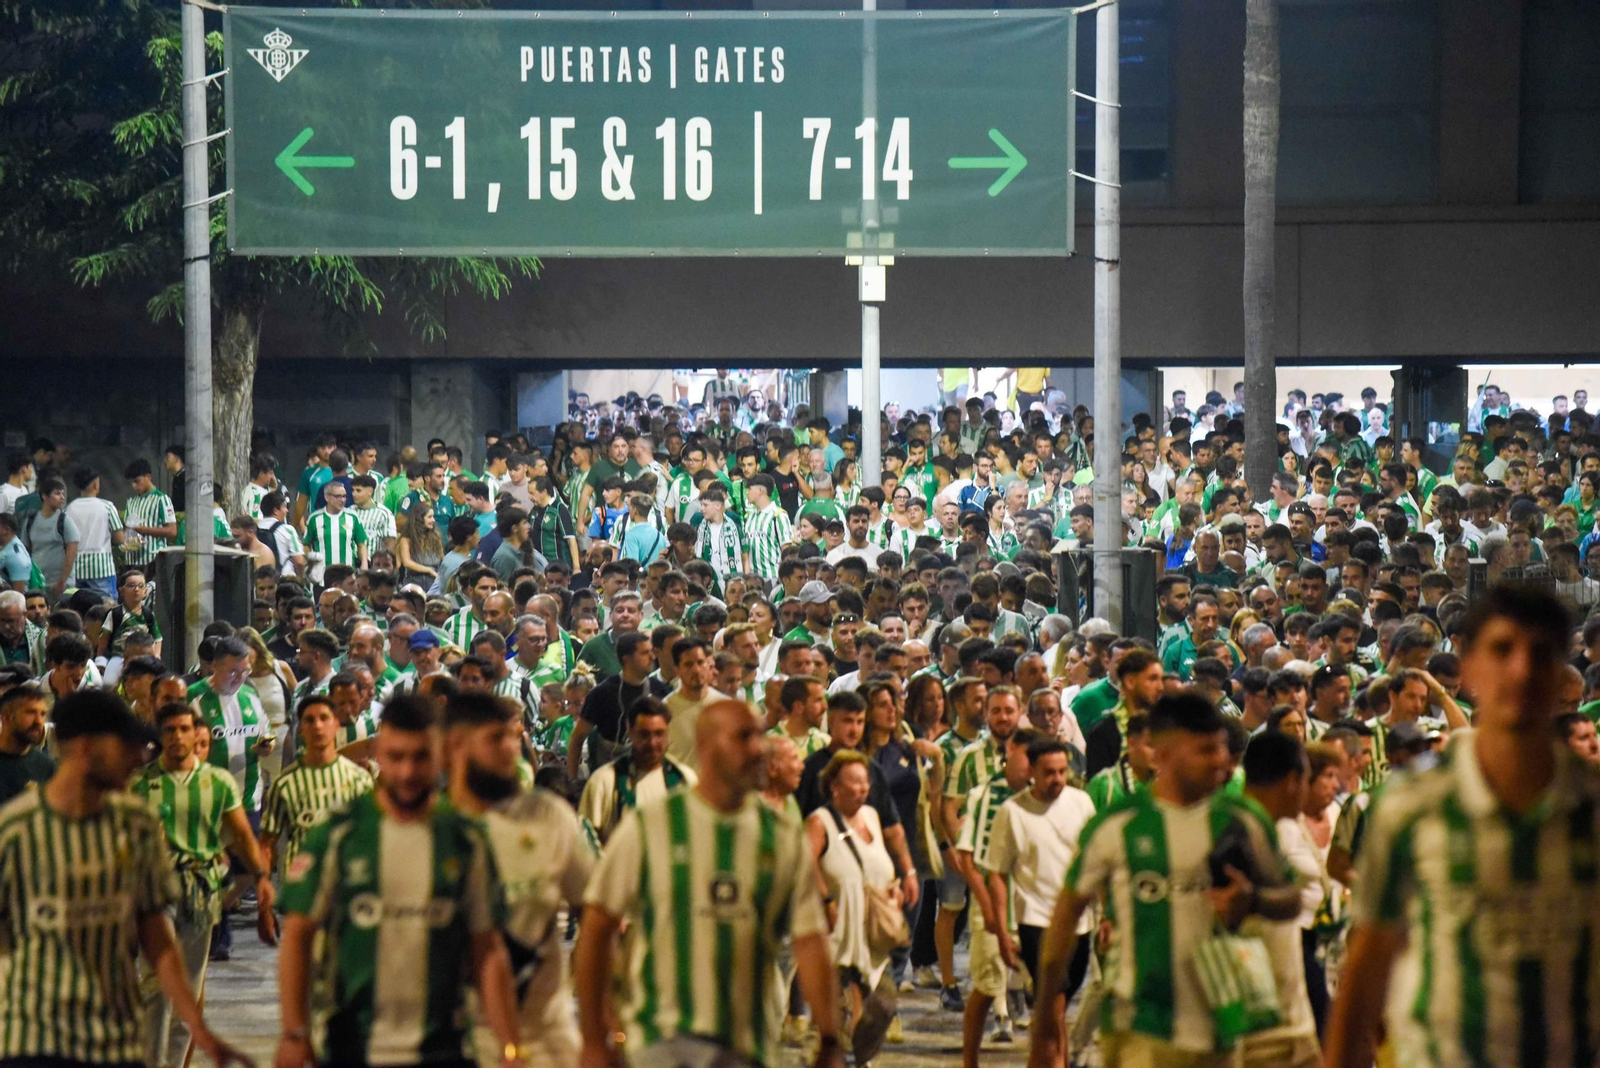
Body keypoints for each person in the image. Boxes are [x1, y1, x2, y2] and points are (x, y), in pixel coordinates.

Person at [1326, 585, 1600, 1068]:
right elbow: (1368, 964)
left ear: (1562, 672)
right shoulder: (1411, 805)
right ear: (1469, 668)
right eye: (1502, 649)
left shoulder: (1591, 806)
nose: (1521, 669)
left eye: (1541, 653)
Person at [1029, 693, 1304, 1068]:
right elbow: (1066, 914)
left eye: (1222, 749)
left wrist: (1253, 899)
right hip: (1138, 1029)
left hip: (1223, 1028)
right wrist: (1046, 1013)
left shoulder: (1243, 820)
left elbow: (1291, 899)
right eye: (1205, 750)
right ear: (1165, 753)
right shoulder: (1118, 824)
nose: (1220, 761)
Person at [575, 697, 845, 1068]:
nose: (757, 748)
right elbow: (597, 928)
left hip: (748, 1043)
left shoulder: (780, 836)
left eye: (758, 736)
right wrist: (594, 1036)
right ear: (706, 745)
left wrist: (829, 1036)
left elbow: (810, 941)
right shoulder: (652, 826)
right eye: (744, 737)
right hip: (659, 1040)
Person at [275, 694, 522, 1068]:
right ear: (378, 755)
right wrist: (295, 1032)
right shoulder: (340, 833)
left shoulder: (465, 838)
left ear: (440, 753)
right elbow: (297, 934)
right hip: (352, 1048)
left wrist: (510, 1048)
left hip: (445, 1050)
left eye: (420, 757)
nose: (407, 772)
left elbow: (487, 949)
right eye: (395, 757)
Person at [0, 689, 246, 1066]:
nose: (139, 756)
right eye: (126, 746)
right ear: (85, 747)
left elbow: (157, 938)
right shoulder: (15, 833)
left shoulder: (136, 825)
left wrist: (197, 1025)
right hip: (33, 1039)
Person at [444, 692, 594, 1068]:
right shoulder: (432, 827)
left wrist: (600, 1020)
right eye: (497, 738)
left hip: (547, 1037)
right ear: (458, 744)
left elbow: (595, 917)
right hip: (458, 1037)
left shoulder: (549, 817)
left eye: (515, 736)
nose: (512, 749)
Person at [131, 701, 276, 1068]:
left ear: (196, 733)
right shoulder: (141, 783)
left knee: (188, 992)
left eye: (184, 729)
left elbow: (242, 836)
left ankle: (174, 1063)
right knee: (156, 986)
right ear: (159, 735)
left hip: (201, 890)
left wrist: (261, 880)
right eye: (169, 730)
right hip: (154, 892)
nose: (177, 737)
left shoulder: (218, 782)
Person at [983, 736, 1097, 1068]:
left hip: (1079, 921)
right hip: (1035, 921)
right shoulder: (1012, 812)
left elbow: (1093, 860)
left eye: (1062, 771)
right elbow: (997, 873)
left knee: (1055, 1008)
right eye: (1049, 772)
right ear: (1031, 770)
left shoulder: (1081, 804)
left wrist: (1104, 915)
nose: (1058, 779)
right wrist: (1003, 931)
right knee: (1055, 1005)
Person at [806, 750, 902, 1064]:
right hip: (837, 932)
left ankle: (856, 1058)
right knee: (841, 1015)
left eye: (865, 782)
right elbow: (804, 863)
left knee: (884, 1004)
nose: (862, 789)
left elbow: (882, 865)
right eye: (855, 782)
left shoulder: (872, 816)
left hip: (870, 932)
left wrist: (896, 886)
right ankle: (842, 1057)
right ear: (835, 786)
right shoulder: (820, 821)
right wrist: (825, 899)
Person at [258, 692, 374, 877]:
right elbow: (267, 843)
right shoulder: (284, 784)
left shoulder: (359, 780)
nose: (317, 726)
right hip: (300, 888)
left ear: (336, 724)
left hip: (345, 885)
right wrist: (263, 883)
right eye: (310, 720)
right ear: (301, 729)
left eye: (324, 718)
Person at [576, 695, 697, 846]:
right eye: (644, 735)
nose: (652, 743)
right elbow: (586, 844)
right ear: (630, 731)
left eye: (659, 734)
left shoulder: (685, 780)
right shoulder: (605, 782)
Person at [0, 680, 53, 805]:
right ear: (6, 717)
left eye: (43, 714)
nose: (39, 721)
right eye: (31, 713)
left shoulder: (46, 767)